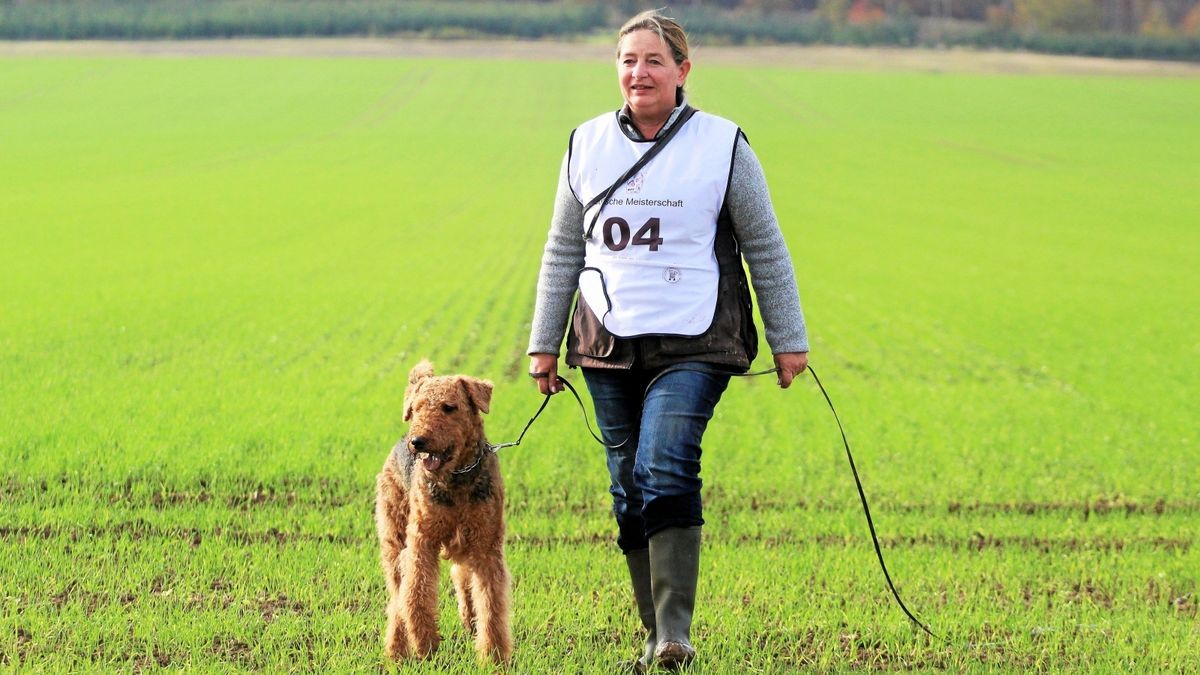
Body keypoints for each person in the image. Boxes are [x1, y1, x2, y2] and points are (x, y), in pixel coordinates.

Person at [527, 10, 808, 671]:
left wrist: (788, 336)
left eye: (653, 60)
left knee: (664, 462)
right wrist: (544, 341)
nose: (638, 72)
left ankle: (676, 630)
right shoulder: (587, 143)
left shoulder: (723, 144)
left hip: (696, 336)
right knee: (627, 484)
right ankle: (655, 634)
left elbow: (764, 243)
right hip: (606, 339)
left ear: (683, 70)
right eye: (627, 60)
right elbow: (564, 245)